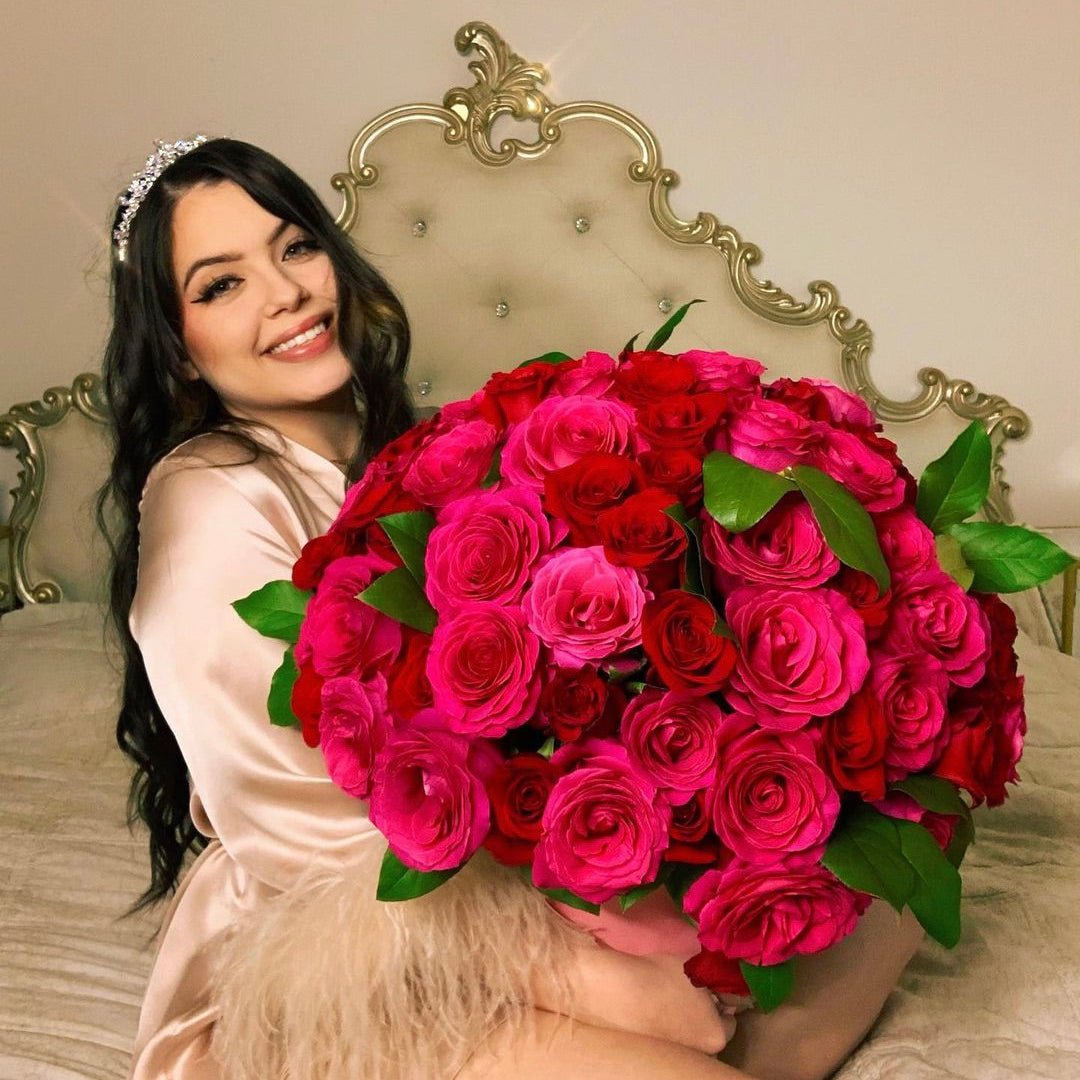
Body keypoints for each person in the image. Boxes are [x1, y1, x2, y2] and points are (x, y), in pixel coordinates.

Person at [103, 136, 922, 1080]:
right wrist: (580, 947)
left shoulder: (395, 453)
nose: (282, 292)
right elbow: (287, 806)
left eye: (293, 248)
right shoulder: (208, 497)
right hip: (344, 933)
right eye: (220, 285)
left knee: (883, 899)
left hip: (477, 855)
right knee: (693, 1028)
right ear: (176, 349)